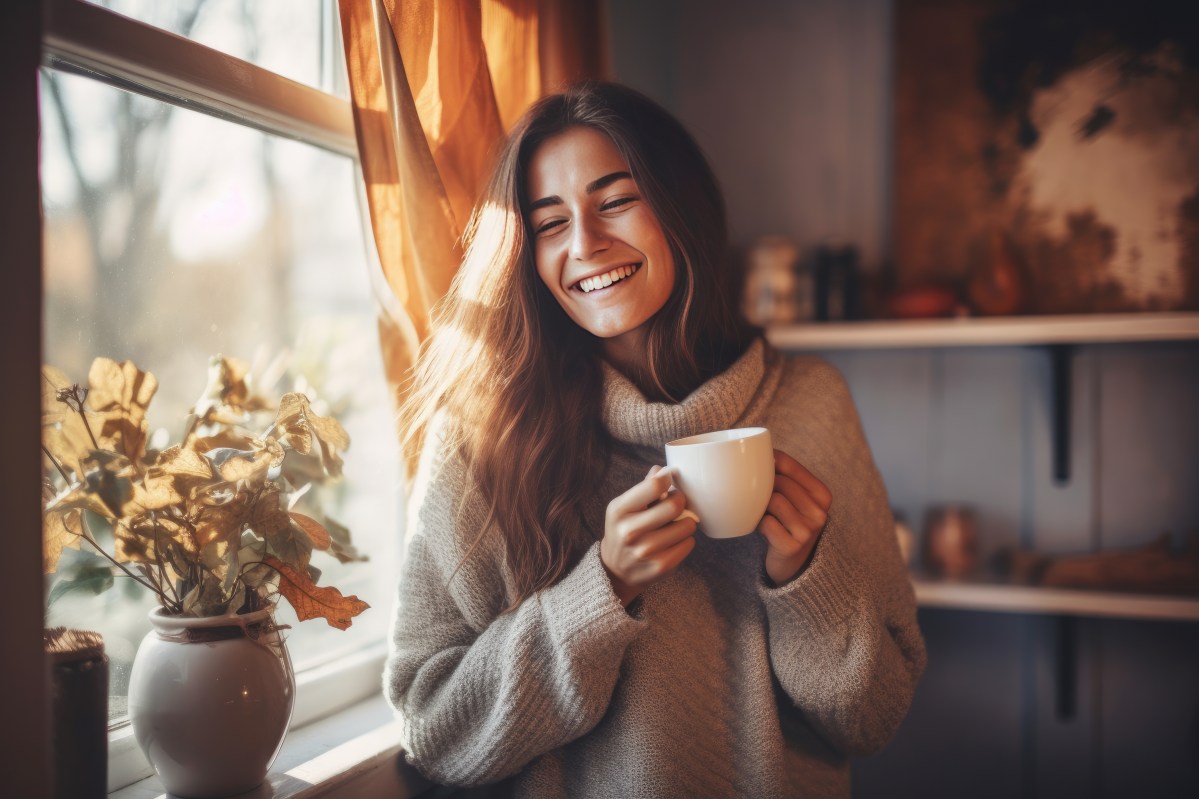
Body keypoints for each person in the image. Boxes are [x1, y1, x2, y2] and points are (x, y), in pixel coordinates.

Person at [390, 81, 926, 799]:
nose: (585, 244)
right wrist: (600, 589)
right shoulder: (479, 433)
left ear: (680, 209)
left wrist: (805, 575)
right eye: (550, 222)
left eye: (614, 201)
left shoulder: (808, 403)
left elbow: (876, 717)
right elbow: (433, 729)